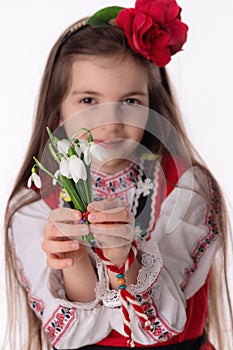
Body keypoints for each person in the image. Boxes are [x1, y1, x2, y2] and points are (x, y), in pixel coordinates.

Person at [3, 1, 232, 349]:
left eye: (130, 102)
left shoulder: (187, 189)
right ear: (59, 108)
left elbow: (158, 329)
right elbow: (75, 336)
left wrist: (125, 256)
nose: (110, 122)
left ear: (152, 106)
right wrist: (75, 259)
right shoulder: (33, 206)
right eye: (88, 100)